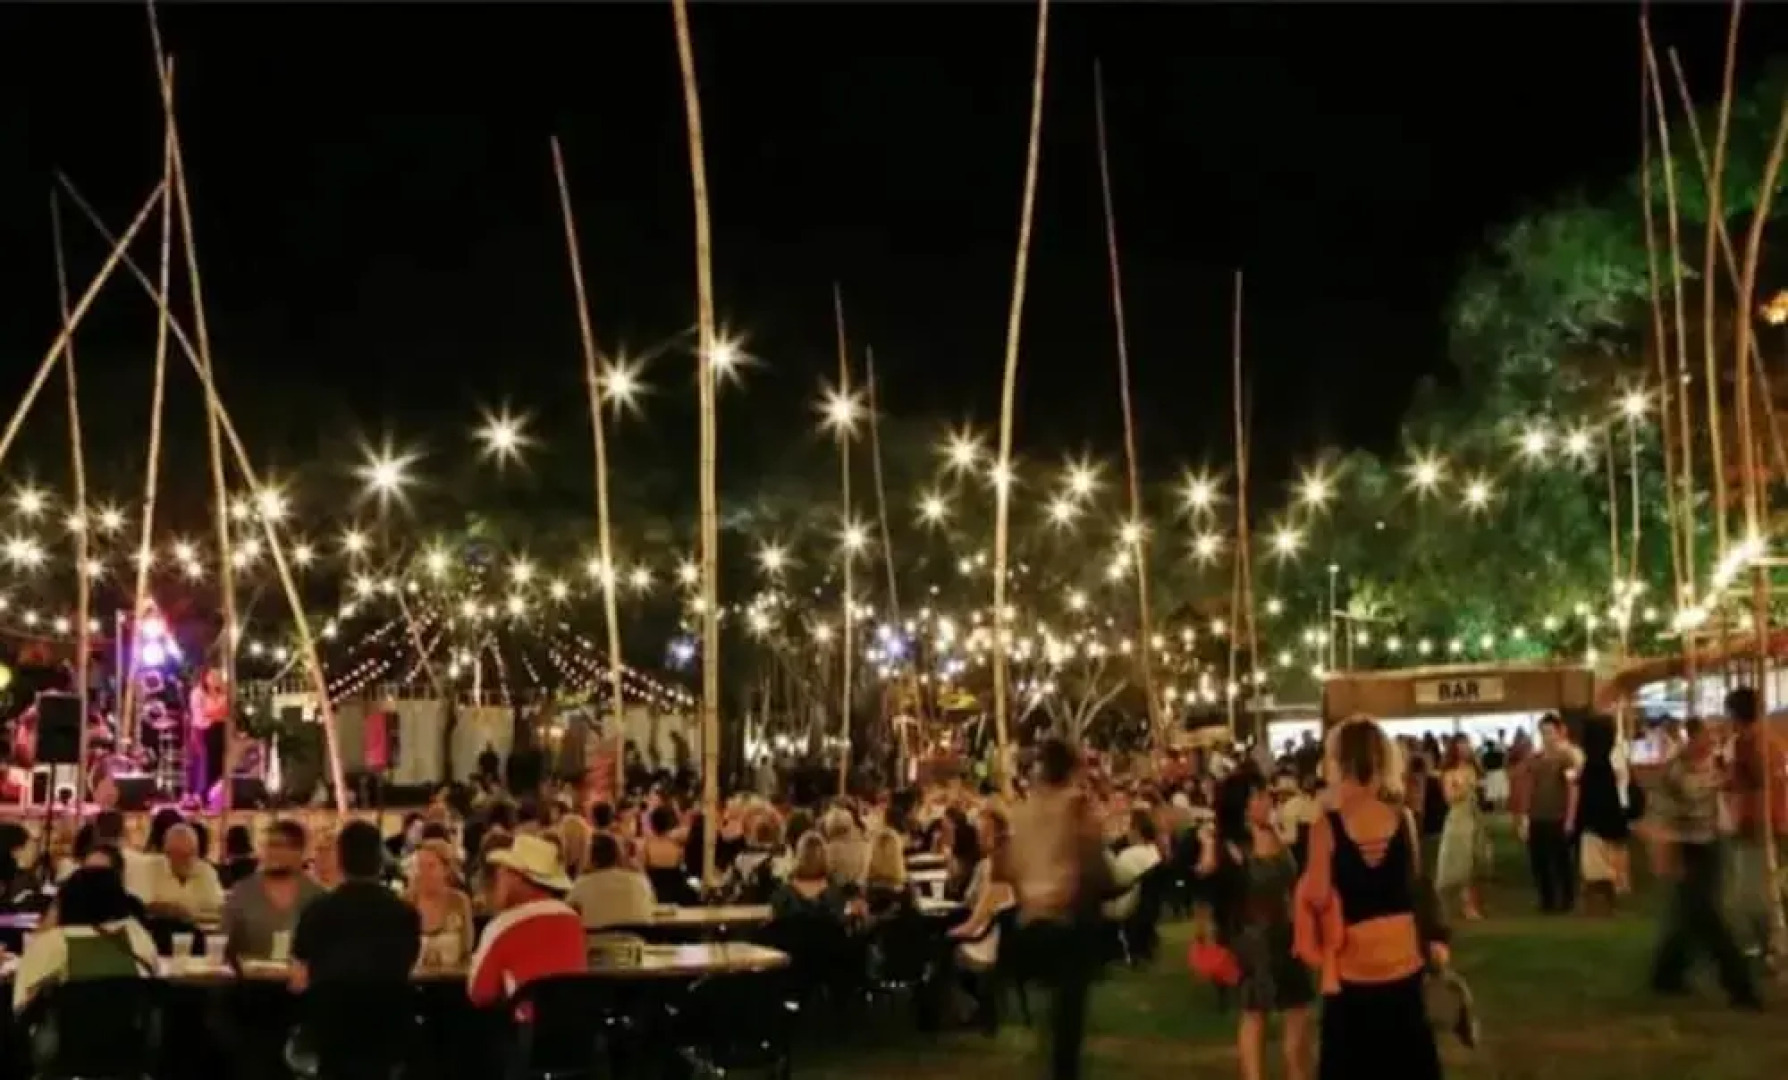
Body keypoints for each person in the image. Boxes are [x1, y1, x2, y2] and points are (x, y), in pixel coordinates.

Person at [1296, 716, 1446, 1080]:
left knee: (1352, 1063)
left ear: (1338, 762)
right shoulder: (1403, 818)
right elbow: (1414, 883)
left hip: (1354, 964)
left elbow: (1316, 896)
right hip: (1402, 956)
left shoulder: (1325, 827)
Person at [1200, 772, 1313, 1080]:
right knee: (1255, 1012)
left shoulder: (1274, 833)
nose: (1267, 801)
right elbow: (1209, 888)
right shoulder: (1231, 846)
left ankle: (1297, 1072)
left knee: (1299, 1007)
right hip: (1253, 937)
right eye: (1258, 796)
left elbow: (1294, 880)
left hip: (1287, 931)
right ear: (1243, 805)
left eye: (1266, 795)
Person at [1009, 739, 1110, 1080]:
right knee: (1067, 1023)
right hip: (1067, 922)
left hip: (1029, 920)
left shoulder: (1022, 810)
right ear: (1070, 769)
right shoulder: (1076, 806)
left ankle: (1046, 1059)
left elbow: (1009, 864)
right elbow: (1093, 861)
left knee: (1052, 1016)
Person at [1645, 717, 1761, 1008]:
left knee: (1691, 915)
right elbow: (1661, 815)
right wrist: (1664, 851)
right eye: (1707, 736)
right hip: (1687, 848)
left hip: (1710, 845)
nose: (1712, 741)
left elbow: (1727, 791)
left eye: (1715, 735)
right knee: (1708, 918)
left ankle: (1666, 976)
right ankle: (1739, 986)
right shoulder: (1675, 771)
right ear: (1691, 737)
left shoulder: (1715, 765)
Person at [289, 821, 421, 990]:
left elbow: (298, 978)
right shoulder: (405, 913)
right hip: (387, 1013)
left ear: (341, 860)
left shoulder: (316, 911)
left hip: (330, 1012)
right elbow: (409, 965)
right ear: (380, 861)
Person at [13, 866, 159, 1014]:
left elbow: (20, 1006)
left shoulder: (53, 943)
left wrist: (47, 925)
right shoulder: (136, 935)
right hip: (131, 1033)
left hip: (65, 1034)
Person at [466, 833, 586, 1009]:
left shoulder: (502, 926)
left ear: (517, 878)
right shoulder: (573, 920)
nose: (498, 877)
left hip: (527, 1029)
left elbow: (480, 994)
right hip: (576, 1027)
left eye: (504, 871)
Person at [1722, 686, 1785, 964]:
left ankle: (1772, 945)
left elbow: (1756, 785)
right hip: (1771, 820)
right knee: (1763, 887)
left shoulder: (1749, 744)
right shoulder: (1771, 741)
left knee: (1754, 892)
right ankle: (1768, 944)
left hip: (1758, 822)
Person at [222, 820, 326, 961]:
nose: (272, 852)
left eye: (280, 846)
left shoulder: (317, 896)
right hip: (250, 979)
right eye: (269, 846)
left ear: (300, 852)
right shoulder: (243, 891)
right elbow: (223, 943)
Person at [1516, 714, 1580, 914]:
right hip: (1537, 816)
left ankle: (1567, 899)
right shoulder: (1535, 758)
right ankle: (1547, 899)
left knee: (1561, 860)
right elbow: (1526, 784)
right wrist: (1524, 815)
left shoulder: (1566, 757)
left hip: (1558, 816)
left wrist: (1570, 817)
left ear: (1558, 732)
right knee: (1539, 861)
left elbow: (1572, 788)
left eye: (1550, 732)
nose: (1546, 736)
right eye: (1543, 732)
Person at [1435, 734, 1485, 920]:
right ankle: (1449, 904)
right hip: (1457, 819)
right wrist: (1464, 788)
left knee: (1472, 863)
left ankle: (1471, 905)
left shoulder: (1472, 768)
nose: (1465, 748)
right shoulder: (1449, 772)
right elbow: (1449, 798)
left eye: (1467, 744)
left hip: (1473, 817)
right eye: (1461, 745)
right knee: (1457, 863)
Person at [408, 839, 475, 969]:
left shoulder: (459, 901)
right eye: (420, 866)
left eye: (431, 866)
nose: (423, 872)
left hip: (452, 984)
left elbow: (467, 950)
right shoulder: (407, 902)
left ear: (446, 870)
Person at [567, 833, 655, 930]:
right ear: (618, 855)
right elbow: (651, 907)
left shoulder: (582, 884)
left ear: (590, 858)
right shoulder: (640, 881)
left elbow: (568, 915)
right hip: (638, 941)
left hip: (596, 942)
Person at [146, 822, 225, 923]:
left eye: (192, 853)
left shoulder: (206, 871)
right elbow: (142, 907)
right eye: (182, 855)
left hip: (201, 932)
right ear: (167, 854)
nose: (189, 860)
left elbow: (218, 907)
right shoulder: (153, 870)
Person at [187, 667, 229, 802]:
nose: (217, 679)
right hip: (204, 730)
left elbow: (226, 712)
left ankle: (217, 793)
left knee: (219, 762)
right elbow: (205, 714)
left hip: (219, 729)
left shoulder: (222, 693)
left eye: (218, 676)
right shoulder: (198, 693)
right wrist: (216, 713)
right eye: (213, 676)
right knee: (205, 763)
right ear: (205, 678)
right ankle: (203, 793)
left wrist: (217, 712)